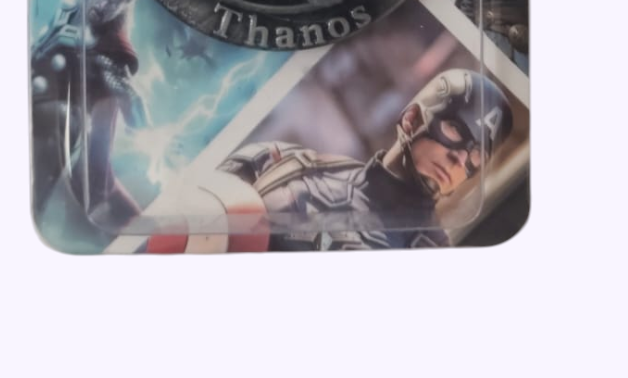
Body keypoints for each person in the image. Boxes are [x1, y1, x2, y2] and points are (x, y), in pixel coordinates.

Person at [212, 69, 514, 249]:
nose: (459, 160)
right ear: (412, 118)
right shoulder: (278, 165)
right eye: (456, 130)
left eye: (476, 156)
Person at [31, 0, 148, 233]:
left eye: (114, 5)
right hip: (35, 81)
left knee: (75, 162)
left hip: (67, 111)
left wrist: (141, 123)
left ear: (121, 9)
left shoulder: (112, 43)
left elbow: (124, 89)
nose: (104, 6)